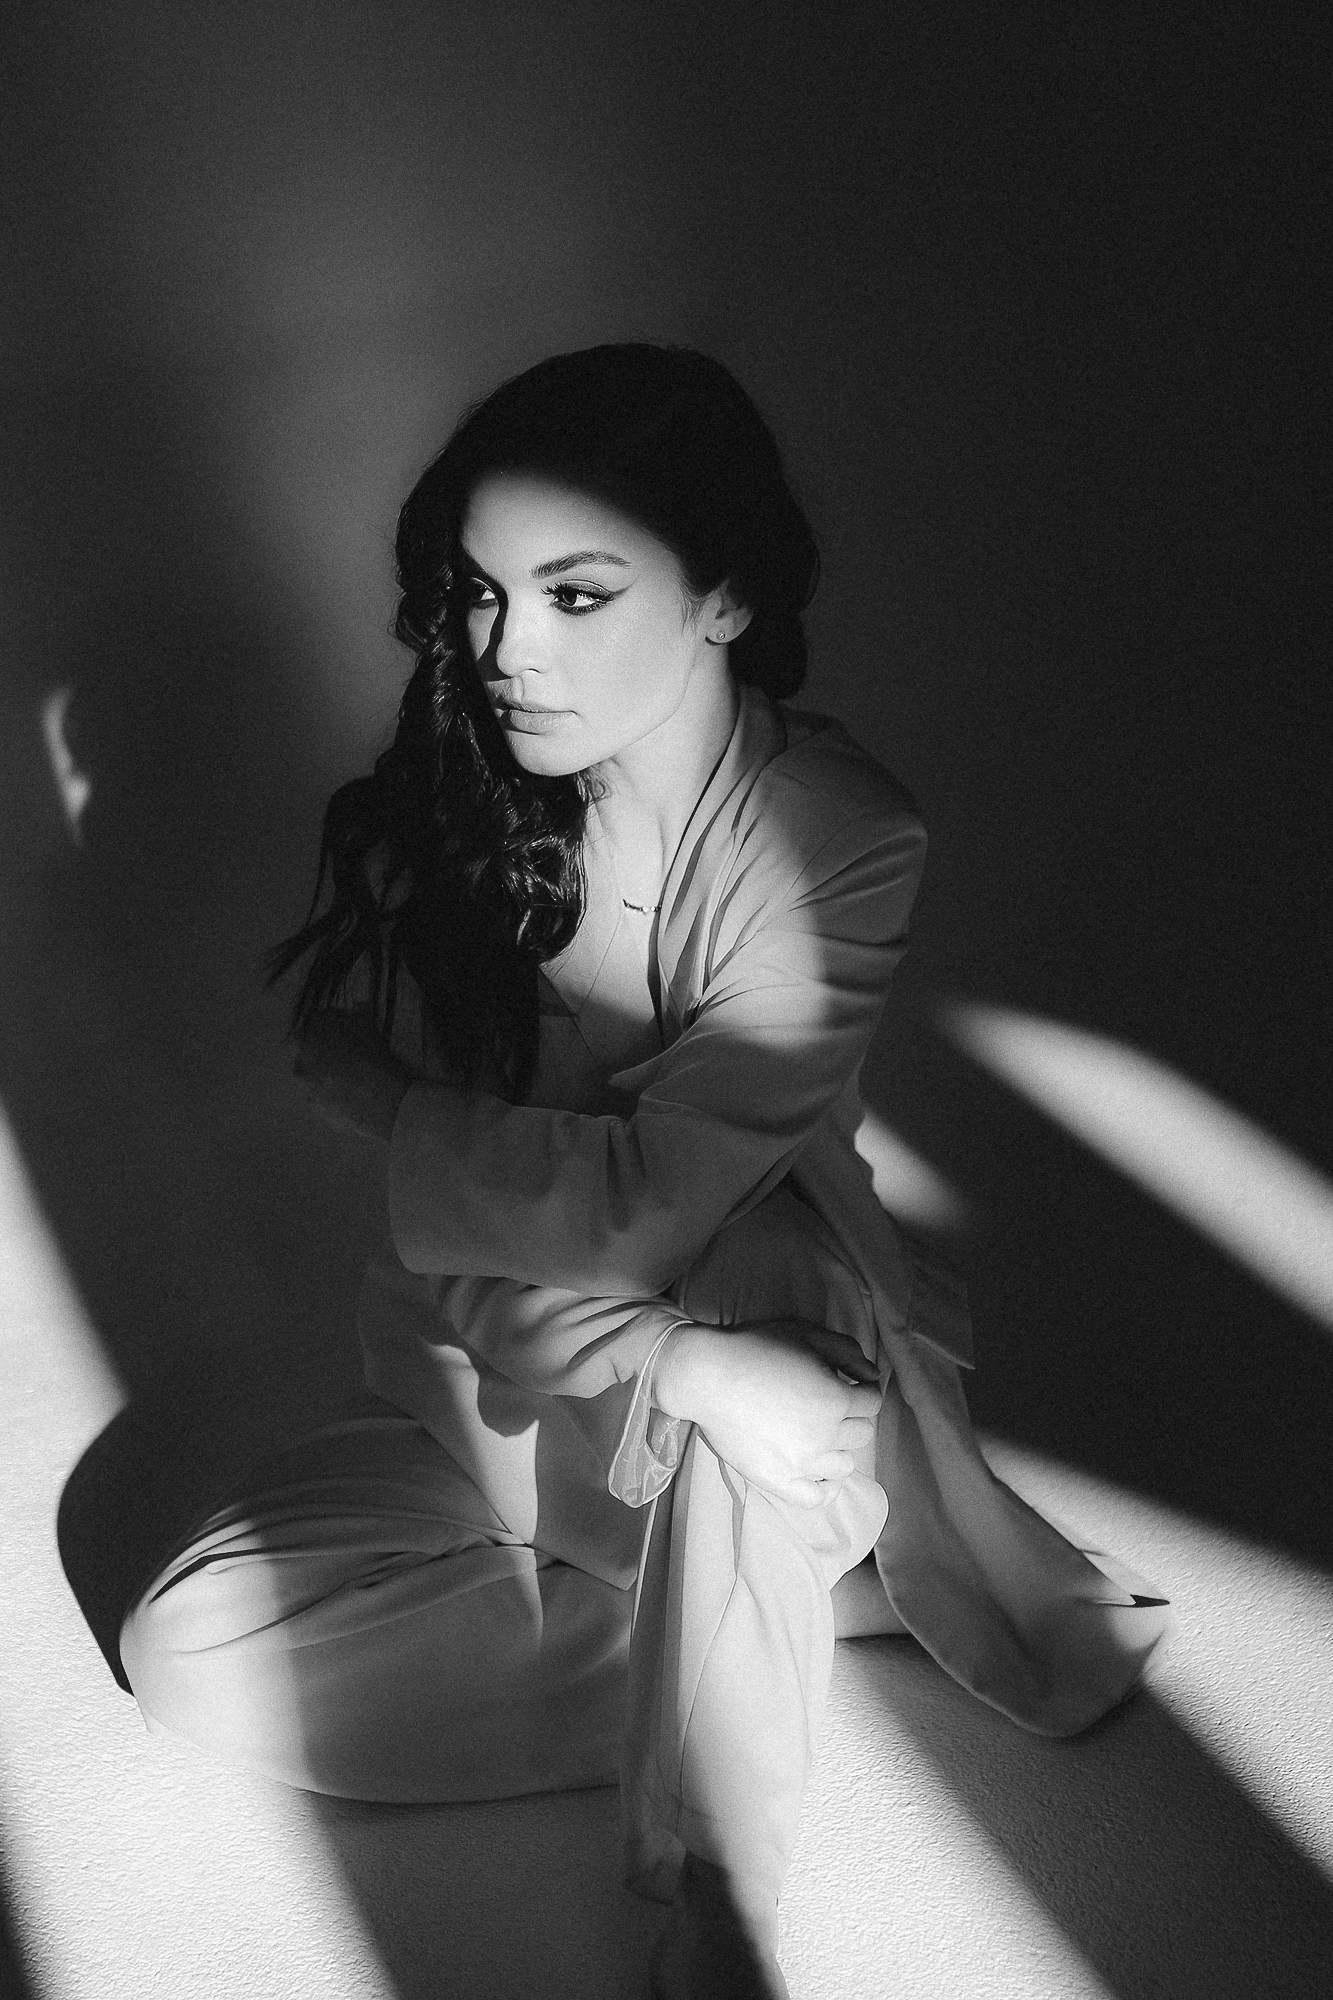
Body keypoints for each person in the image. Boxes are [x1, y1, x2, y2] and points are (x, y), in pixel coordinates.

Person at [119, 343, 1171, 1999]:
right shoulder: (446, 828)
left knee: (752, 1278)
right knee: (190, 1649)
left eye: (577, 593)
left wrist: (406, 1116)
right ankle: (788, 1621)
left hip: (779, 1358)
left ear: (725, 595)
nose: (506, 651)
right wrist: (678, 1367)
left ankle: (716, 1907)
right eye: (480, 595)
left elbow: (655, 1207)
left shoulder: (835, 837)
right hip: (522, 1386)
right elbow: (472, 1269)